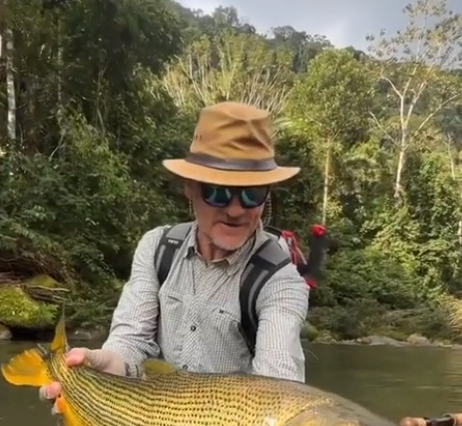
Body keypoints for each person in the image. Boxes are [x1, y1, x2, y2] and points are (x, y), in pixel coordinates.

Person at [40, 101, 309, 409]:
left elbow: (277, 390)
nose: (236, 210)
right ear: (190, 188)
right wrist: (103, 366)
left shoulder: (280, 282)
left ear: (267, 194)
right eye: (218, 191)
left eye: (252, 193)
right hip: (150, 424)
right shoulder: (157, 248)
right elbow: (131, 342)